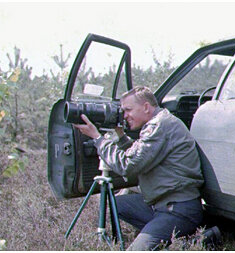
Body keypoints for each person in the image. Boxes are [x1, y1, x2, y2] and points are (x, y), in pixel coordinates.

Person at [74, 86, 204, 250]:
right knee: (116, 204)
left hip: (178, 209)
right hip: (163, 205)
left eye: (128, 110)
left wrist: (97, 139)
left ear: (146, 107)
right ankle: (168, 239)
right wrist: (121, 136)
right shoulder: (160, 122)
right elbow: (141, 155)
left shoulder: (159, 125)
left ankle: (191, 241)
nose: (125, 115)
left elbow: (129, 165)